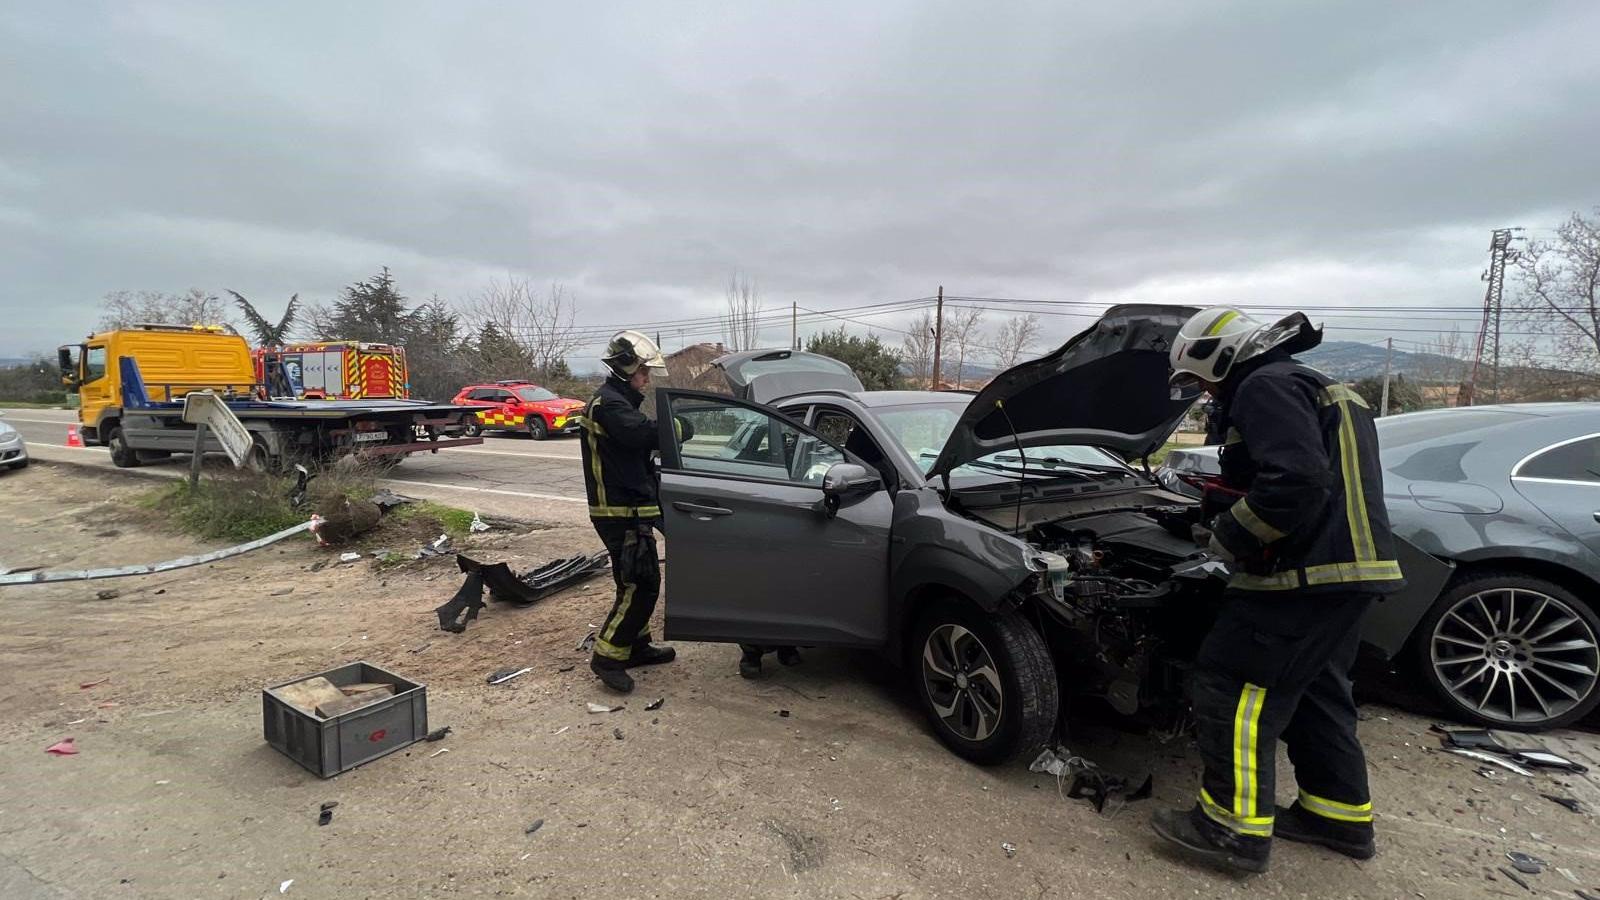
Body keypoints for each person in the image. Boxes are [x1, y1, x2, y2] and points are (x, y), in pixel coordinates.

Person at [1151, 307, 1405, 874]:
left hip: (1302, 577)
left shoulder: (1263, 386)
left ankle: (1229, 831)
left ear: (1217, 356)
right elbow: (1312, 474)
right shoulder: (1321, 386)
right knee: (1316, 692)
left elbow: (1296, 481)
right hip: (1351, 573)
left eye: (1200, 380)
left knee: (1231, 689)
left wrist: (1226, 537)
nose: (1205, 393)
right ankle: (1336, 814)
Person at [580, 330, 680, 693]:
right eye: (644, 372)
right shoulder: (609, 404)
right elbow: (643, 435)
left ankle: (635, 646)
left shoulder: (617, 401)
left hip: (631, 508)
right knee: (641, 584)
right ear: (627, 368)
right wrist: (679, 425)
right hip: (617, 512)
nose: (647, 379)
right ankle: (608, 657)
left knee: (637, 580)